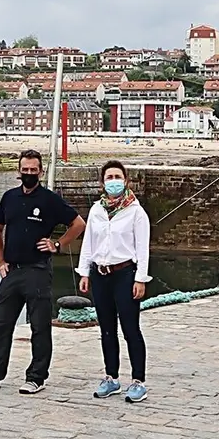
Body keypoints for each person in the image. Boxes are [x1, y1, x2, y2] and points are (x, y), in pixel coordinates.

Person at [0, 149, 85, 394]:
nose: (29, 173)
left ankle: (36, 377)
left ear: (40, 172)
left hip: (38, 270)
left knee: (39, 326)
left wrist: (58, 244)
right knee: (1, 323)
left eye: (33, 170)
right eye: (25, 169)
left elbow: (79, 223)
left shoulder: (49, 200)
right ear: (18, 171)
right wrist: (0, 260)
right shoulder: (9, 198)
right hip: (12, 272)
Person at [76, 160, 151, 403]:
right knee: (107, 329)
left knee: (130, 328)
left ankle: (138, 380)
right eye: (109, 177)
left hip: (125, 273)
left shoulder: (136, 212)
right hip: (101, 274)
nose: (113, 181)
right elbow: (89, 243)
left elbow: (143, 248)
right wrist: (84, 272)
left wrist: (140, 278)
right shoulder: (97, 210)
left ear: (126, 180)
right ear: (102, 182)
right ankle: (111, 377)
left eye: (118, 177)